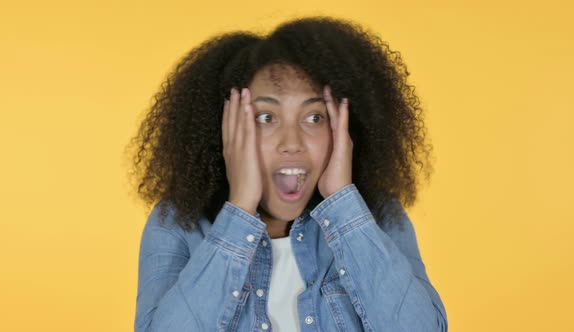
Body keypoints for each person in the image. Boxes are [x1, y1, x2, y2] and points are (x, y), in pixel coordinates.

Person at [128, 15, 448, 332]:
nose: (292, 143)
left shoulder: (378, 217)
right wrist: (239, 210)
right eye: (266, 117)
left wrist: (342, 201)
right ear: (223, 130)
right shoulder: (177, 223)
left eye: (314, 118)